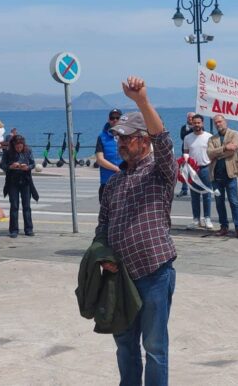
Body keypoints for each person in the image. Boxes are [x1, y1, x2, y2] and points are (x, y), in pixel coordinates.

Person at [96, 76, 177, 385]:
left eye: (127, 138)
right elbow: (103, 226)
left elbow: (164, 141)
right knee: (125, 346)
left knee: (154, 347)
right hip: (120, 277)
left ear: (144, 141)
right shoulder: (114, 183)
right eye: (118, 139)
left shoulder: (159, 173)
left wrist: (141, 101)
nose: (120, 144)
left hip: (154, 273)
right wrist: (103, 256)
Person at [207, 115, 238, 239]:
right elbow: (209, 154)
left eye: (220, 121)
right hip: (216, 175)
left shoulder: (234, 134)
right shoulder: (212, 138)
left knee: (234, 202)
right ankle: (223, 227)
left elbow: (233, 149)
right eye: (216, 122)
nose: (218, 124)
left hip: (230, 174)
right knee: (219, 203)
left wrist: (217, 154)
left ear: (225, 121)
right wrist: (224, 147)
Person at [0, 135, 38, 238]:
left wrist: (28, 167)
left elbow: (33, 164)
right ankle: (13, 230)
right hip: (12, 182)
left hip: (25, 181)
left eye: (20, 147)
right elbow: (2, 165)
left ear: (23, 145)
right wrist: (10, 166)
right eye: (17, 147)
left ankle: (29, 229)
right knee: (14, 206)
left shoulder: (28, 151)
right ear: (13, 145)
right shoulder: (7, 152)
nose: (19, 149)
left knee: (27, 206)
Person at [183, 114, 213, 230]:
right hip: (192, 170)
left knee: (207, 194)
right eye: (194, 123)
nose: (196, 125)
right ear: (192, 124)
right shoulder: (187, 138)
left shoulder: (209, 137)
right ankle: (196, 219)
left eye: (198, 123)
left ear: (202, 123)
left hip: (206, 168)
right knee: (194, 195)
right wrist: (185, 161)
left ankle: (207, 218)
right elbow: (186, 152)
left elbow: (213, 153)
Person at [95, 108, 124, 203]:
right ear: (108, 120)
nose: (115, 120)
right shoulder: (102, 137)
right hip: (107, 183)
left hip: (124, 181)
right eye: (112, 118)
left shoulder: (127, 135)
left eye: (117, 118)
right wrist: (117, 169)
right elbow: (100, 160)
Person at [177, 112, 195, 198]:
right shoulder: (184, 127)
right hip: (185, 152)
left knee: (195, 170)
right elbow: (182, 137)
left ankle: (196, 188)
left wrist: (193, 128)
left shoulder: (198, 127)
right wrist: (190, 130)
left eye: (192, 117)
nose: (190, 119)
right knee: (184, 171)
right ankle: (184, 189)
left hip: (195, 152)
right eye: (189, 117)